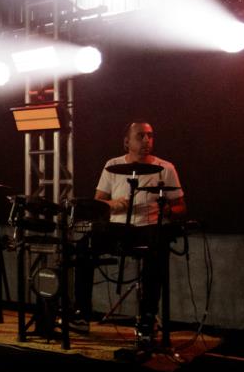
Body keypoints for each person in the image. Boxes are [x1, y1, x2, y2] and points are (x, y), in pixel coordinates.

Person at [74, 121, 185, 348]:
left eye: (150, 136)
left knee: (157, 251)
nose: (146, 140)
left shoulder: (166, 168)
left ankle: (147, 318)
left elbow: (181, 206)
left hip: (149, 227)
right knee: (83, 247)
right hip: (118, 228)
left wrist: (168, 210)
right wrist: (112, 204)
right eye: (140, 136)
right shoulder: (112, 165)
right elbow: (98, 202)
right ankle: (81, 313)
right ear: (127, 142)